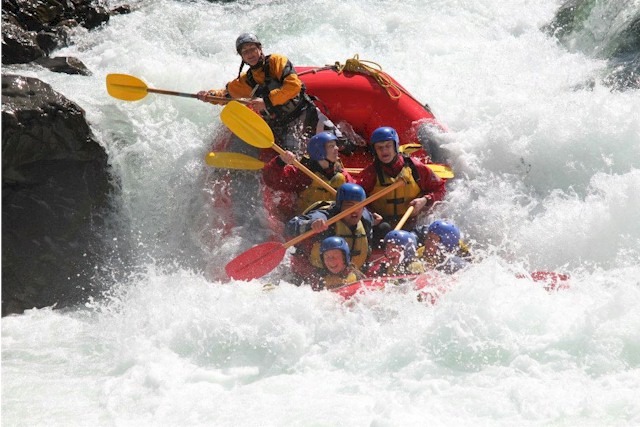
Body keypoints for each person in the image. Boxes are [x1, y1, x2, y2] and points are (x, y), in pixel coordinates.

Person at [197, 33, 338, 153]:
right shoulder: (247, 80)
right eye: (245, 52)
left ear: (260, 48)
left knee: (343, 143)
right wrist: (209, 96)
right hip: (281, 126)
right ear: (242, 57)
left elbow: (294, 86)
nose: (250, 54)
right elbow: (227, 95)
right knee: (292, 159)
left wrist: (267, 101)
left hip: (304, 113)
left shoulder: (277, 62)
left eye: (252, 49)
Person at [355, 126, 446, 240]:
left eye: (388, 146)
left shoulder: (415, 167)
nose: (384, 151)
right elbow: (356, 201)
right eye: (380, 148)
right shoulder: (371, 173)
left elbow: (440, 188)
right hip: (384, 225)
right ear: (375, 151)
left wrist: (424, 200)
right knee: (383, 229)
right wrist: (370, 213)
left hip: (413, 223)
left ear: (395, 146)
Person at [285, 183, 378, 283]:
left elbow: (371, 218)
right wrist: (311, 224)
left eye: (359, 206)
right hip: (315, 273)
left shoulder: (366, 217)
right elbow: (291, 225)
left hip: (349, 272)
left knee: (383, 227)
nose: (355, 211)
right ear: (339, 206)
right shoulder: (325, 216)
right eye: (349, 206)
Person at [263, 131, 355, 214]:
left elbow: (356, 194)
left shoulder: (342, 174)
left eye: (335, 145)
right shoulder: (303, 174)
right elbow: (271, 180)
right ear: (319, 151)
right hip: (307, 220)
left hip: (333, 219)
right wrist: (281, 160)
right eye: (331, 146)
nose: (337, 149)